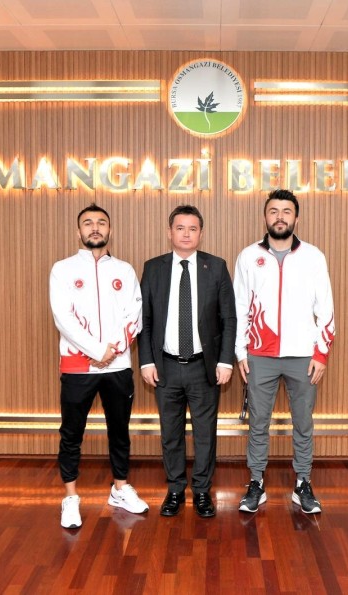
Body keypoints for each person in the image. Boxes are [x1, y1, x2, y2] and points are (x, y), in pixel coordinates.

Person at [233, 189, 335, 515]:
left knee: (303, 422)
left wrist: (321, 353)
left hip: (303, 356)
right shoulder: (248, 256)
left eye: (286, 211)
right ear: (265, 217)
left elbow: (326, 308)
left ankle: (303, 482)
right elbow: (239, 307)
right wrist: (240, 351)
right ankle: (256, 482)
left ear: (296, 218)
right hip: (259, 354)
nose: (280, 217)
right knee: (258, 422)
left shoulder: (313, 257)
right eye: (274, 211)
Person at [49, 203, 148, 529]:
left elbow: (135, 314)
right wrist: (96, 350)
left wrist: (111, 351)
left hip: (117, 366)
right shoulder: (62, 269)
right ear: (78, 231)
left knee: (119, 430)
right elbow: (63, 317)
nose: (95, 228)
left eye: (101, 222)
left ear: (110, 230)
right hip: (78, 366)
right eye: (88, 223)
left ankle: (120, 488)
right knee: (71, 433)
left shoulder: (124, 270)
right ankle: (71, 497)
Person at [139, 205, 237, 518]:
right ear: (169, 232)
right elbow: (145, 319)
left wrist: (225, 361)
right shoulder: (153, 268)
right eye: (180, 228)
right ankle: (175, 490)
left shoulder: (216, 267)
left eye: (192, 229)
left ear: (200, 234)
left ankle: (203, 492)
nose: (186, 234)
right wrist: (146, 361)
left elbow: (229, 318)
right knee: (171, 433)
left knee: (205, 434)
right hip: (165, 366)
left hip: (203, 367)